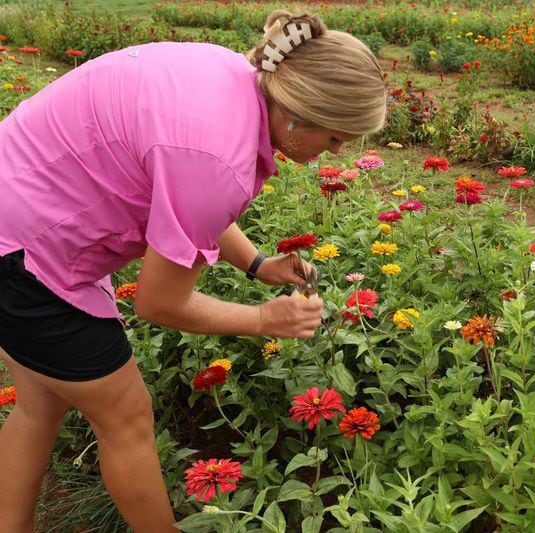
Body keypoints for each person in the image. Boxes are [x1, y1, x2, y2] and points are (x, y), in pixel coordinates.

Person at [0, 9, 386, 532]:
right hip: (26, 251)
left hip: (23, 203)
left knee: (40, 406)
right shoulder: (218, 159)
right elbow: (159, 302)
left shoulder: (232, 76)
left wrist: (256, 264)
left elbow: (177, 189)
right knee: (127, 419)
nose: (333, 155)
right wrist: (263, 321)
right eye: (336, 140)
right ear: (297, 116)